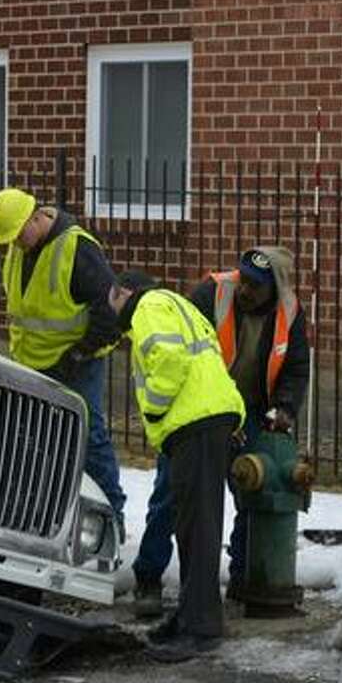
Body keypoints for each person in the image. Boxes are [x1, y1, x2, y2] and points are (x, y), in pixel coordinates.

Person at [131, 247, 309, 617]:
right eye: (243, 278)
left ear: (274, 289)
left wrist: (285, 408)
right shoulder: (211, 293)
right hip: (200, 410)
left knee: (253, 489)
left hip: (252, 413)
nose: (244, 288)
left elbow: (295, 368)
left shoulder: (290, 314)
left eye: (255, 285)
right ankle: (148, 576)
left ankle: (243, 579)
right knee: (171, 493)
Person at [109, 270, 244, 662]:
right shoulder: (176, 303)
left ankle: (201, 628)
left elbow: (169, 358)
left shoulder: (148, 307)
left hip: (195, 420)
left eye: (112, 299)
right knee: (192, 525)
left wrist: (153, 407)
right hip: (209, 416)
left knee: (198, 528)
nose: (110, 309)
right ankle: (189, 617)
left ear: (126, 293)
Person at [0, 188, 125, 527]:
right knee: (33, 440)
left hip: (78, 364)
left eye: (19, 234)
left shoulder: (78, 249)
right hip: (31, 362)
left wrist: (80, 353)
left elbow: (110, 313)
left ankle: (112, 516)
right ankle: (37, 512)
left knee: (89, 437)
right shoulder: (20, 250)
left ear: (37, 217)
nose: (15, 243)